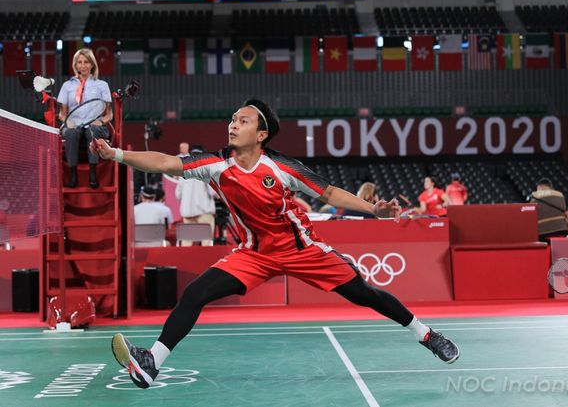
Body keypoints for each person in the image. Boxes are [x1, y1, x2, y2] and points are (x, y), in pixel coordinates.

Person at [93, 99, 459, 388]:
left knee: (365, 293)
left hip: (303, 250)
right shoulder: (215, 164)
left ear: (262, 134)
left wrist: (372, 209)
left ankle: (426, 334)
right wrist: (118, 154)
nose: (233, 124)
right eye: (232, 119)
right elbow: (164, 162)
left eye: (243, 120)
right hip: (254, 255)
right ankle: (152, 362)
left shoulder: (282, 167)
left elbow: (328, 191)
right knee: (194, 294)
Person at [57, 48, 112, 189]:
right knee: (71, 133)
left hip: (95, 125)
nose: (83, 66)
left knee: (91, 131)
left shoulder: (102, 85)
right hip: (73, 125)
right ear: (75, 65)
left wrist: (100, 121)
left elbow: (109, 114)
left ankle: (93, 173)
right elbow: (62, 114)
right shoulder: (67, 86)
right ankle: (73, 174)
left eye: (86, 62)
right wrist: (68, 122)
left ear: (92, 64)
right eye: (79, 62)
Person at [175, 146, 217, 246]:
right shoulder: (206, 170)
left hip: (188, 213)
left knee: (186, 245)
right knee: (206, 244)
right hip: (204, 213)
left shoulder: (183, 172)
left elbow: (178, 194)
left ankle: (184, 262)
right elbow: (213, 192)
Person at [529, 178, 568, 242]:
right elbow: (567, 214)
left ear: (539, 187)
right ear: (550, 187)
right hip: (562, 230)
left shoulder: (534, 197)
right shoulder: (560, 195)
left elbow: (530, 218)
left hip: (543, 234)